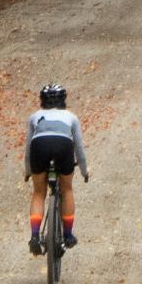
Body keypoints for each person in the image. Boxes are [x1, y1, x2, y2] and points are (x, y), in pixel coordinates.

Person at [24, 81, 89, 254]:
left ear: (42, 100)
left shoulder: (35, 117)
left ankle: (35, 236)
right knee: (67, 189)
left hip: (39, 146)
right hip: (63, 146)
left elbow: (28, 148)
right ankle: (67, 235)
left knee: (39, 192)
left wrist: (28, 170)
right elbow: (79, 148)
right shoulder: (71, 117)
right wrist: (84, 171)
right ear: (63, 100)